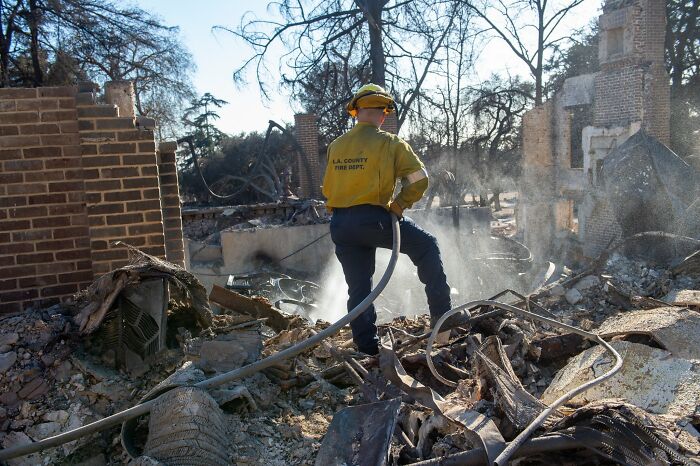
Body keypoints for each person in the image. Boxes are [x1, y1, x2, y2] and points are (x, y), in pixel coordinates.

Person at [322, 83, 452, 355]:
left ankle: (367, 348)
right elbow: (420, 179)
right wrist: (399, 205)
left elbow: (328, 189)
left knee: (359, 288)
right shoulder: (390, 143)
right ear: (383, 114)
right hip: (376, 219)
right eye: (384, 114)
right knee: (427, 245)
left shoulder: (336, 146)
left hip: (341, 225)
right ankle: (443, 322)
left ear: (356, 113)